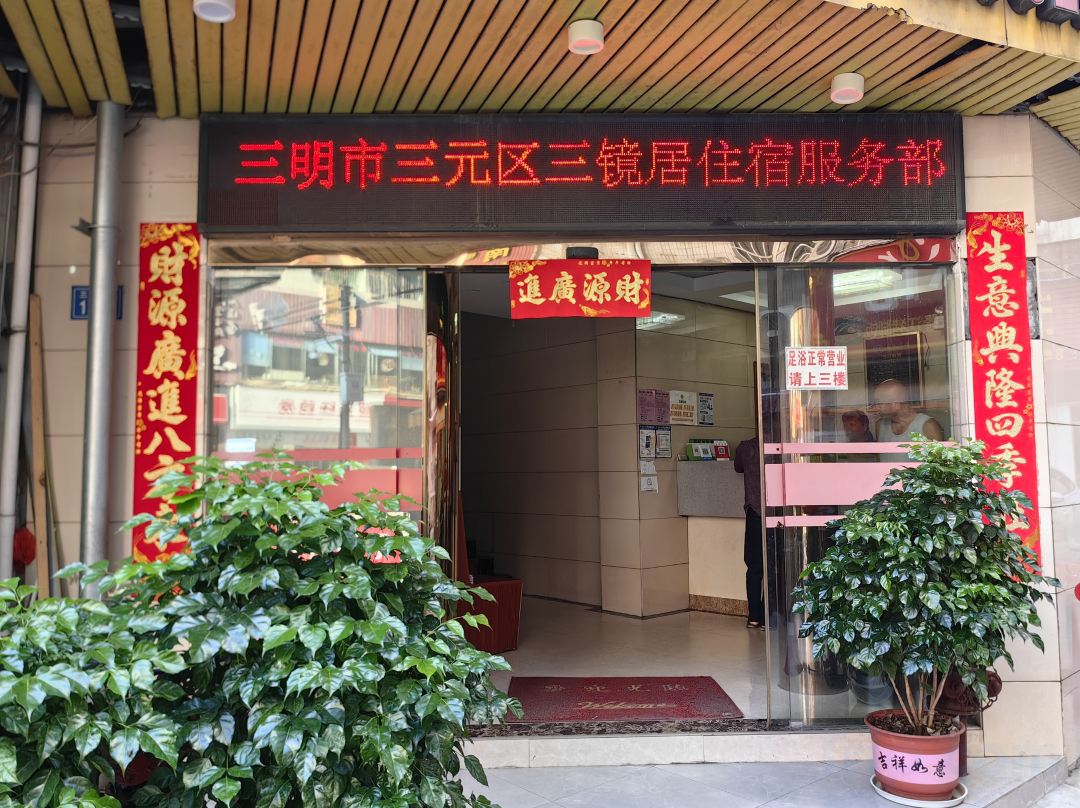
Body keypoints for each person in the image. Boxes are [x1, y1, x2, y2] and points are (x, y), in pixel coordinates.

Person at [734, 435, 777, 631]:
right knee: (774, 566)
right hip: (776, 512)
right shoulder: (779, 445)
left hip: (754, 512)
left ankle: (754, 617)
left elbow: (738, 467)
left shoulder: (745, 447)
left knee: (754, 567)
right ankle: (768, 616)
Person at [873, 379, 944, 463]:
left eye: (879, 403)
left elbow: (937, 465)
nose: (876, 407)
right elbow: (879, 460)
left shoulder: (928, 426)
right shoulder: (880, 425)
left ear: (895, 404)